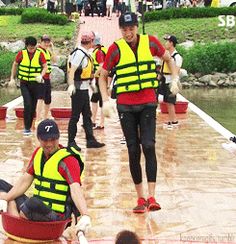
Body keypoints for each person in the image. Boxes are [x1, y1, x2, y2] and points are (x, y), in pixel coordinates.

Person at [99, 12, 180, 213]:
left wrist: (175, 79)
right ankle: (140, 197)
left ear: (136, 27)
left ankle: (152, 195)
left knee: (149, 145)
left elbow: (169, 59)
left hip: (147, 103)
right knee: (133, 150)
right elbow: (102, 75)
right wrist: (105, 99)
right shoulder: (115, 49)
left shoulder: (151, 42)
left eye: (131, 28)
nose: (128, 33)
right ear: (120, 30)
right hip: (125, 106)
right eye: (124, 29)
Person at [0, 119, 91, 240]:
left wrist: (85, 215)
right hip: (35, 211)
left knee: (32, 202)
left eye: (53, 139)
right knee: (2, 185)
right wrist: (7, 198)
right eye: (45, 140)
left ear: (58, 138)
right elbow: (25, 180)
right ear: (38, 139)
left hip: (54, 217)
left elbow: (75, 189)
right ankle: (15, 216)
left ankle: (15, 224)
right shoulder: (38, 153)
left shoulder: (68, 160)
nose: (49, 144)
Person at [67, 31, 105, 151]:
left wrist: (91, 84)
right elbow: (72, 70)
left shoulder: (85, 53)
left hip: (83, 89)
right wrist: (71, 85)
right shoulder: (79, 54)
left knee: (87, 116)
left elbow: (86, 71)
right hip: (78, 90)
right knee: (75, 117)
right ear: (91, 42)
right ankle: (71, 142)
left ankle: (90, 140)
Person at [9, 36, 48, 135]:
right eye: (30, 48)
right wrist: (12, 78)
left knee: (33, 106)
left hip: (35, 83)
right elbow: (15, 64)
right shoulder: (21, 54)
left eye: (33, 47)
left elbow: (45, 67)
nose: (31, 50)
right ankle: (26, 128)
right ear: (26, 46)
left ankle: (30, 126)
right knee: (27, 104)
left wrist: (41, 75)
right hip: (24, 83)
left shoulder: (40, 54)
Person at [160, 35, 183, 129]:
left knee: (171, 102)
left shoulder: (177, 57)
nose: (165, 43)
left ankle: (174, 121)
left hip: (171, 81)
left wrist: (174, 82)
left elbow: (176, 71)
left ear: (171, 43)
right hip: (165, 79)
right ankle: (170, 120)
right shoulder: (167, 55)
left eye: (167, 41)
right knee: (167, 101)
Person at [36, 34, 56, 126]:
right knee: (40, 98)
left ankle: (45, 116)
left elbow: (55, 60)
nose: (47, 44)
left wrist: (52, 48)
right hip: (41, 77)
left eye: (48, 42)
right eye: (45, 42)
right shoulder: (38, 51)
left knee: (48, 98)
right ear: (41, 42)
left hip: (47, 77)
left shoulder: (47, 51)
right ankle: (38, 118)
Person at [91, 34, 107, 129]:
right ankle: (92, 121)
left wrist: (94, 75)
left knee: (102, 101)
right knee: (93, 99)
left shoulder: (99, 52)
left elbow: (101, 65)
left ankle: (102, 123)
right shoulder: (97, 51)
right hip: (98, 80)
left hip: (101, 79)